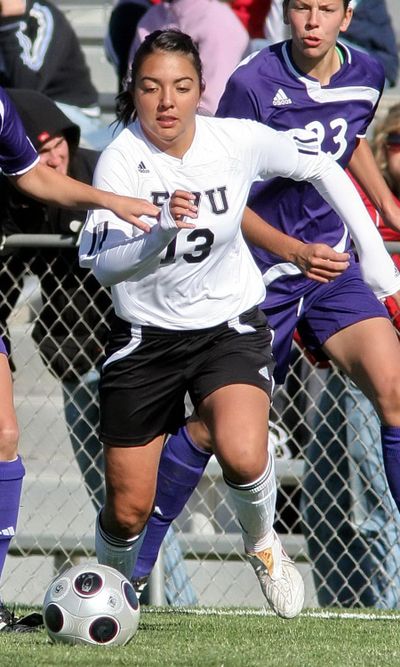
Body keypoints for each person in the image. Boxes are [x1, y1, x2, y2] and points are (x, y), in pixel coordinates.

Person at [78, 28, 400, 619]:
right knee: (127, 508)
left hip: (229, 324)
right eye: (151, 87)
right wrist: (158, 236)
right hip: (145, 339)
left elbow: (325, 166)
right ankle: (110, 600)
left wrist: (373, 252)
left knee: (246, 453)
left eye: (181, 86)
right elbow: (102, 266)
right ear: (133, 91)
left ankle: (262, 543)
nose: (166, 101)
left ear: (202, 89)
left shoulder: (234, 140)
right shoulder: (120, 160)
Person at [0, 85, 159, 632]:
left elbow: (35, 177)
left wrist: (109, 200)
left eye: (57, 144)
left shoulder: (2, 111)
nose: (52, 153)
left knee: (5, 438)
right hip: (83, 360)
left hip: (126, 355)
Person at [301, 103, 400, 608]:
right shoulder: (362, 198)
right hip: (343, 368)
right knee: (322, 503)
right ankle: (345, 612)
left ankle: (389, 609)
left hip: (385, 374)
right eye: (396, 141)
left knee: (376, 507)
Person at [0, 0, 113, 149]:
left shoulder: (42, 16)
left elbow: (28, 87)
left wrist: (10, 24)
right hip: (19, 111)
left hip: (72, 113)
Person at [128, 0, 249, 114]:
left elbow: (211, 107)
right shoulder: (150, 19)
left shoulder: (217, 20)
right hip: (148, 126)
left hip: (204, 129)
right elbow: (131, 91)